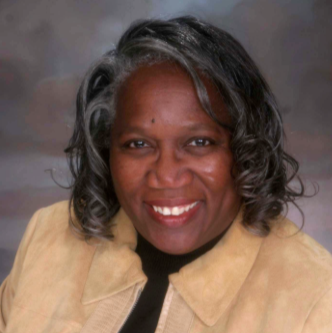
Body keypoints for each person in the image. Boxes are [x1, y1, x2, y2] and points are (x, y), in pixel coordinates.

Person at [0, 16, 331, 333]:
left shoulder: (317, 299)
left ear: (247, 148)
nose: (166, 175)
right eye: (138, 143)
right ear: (107, 150)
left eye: (199, 142)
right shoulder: (48, 236)